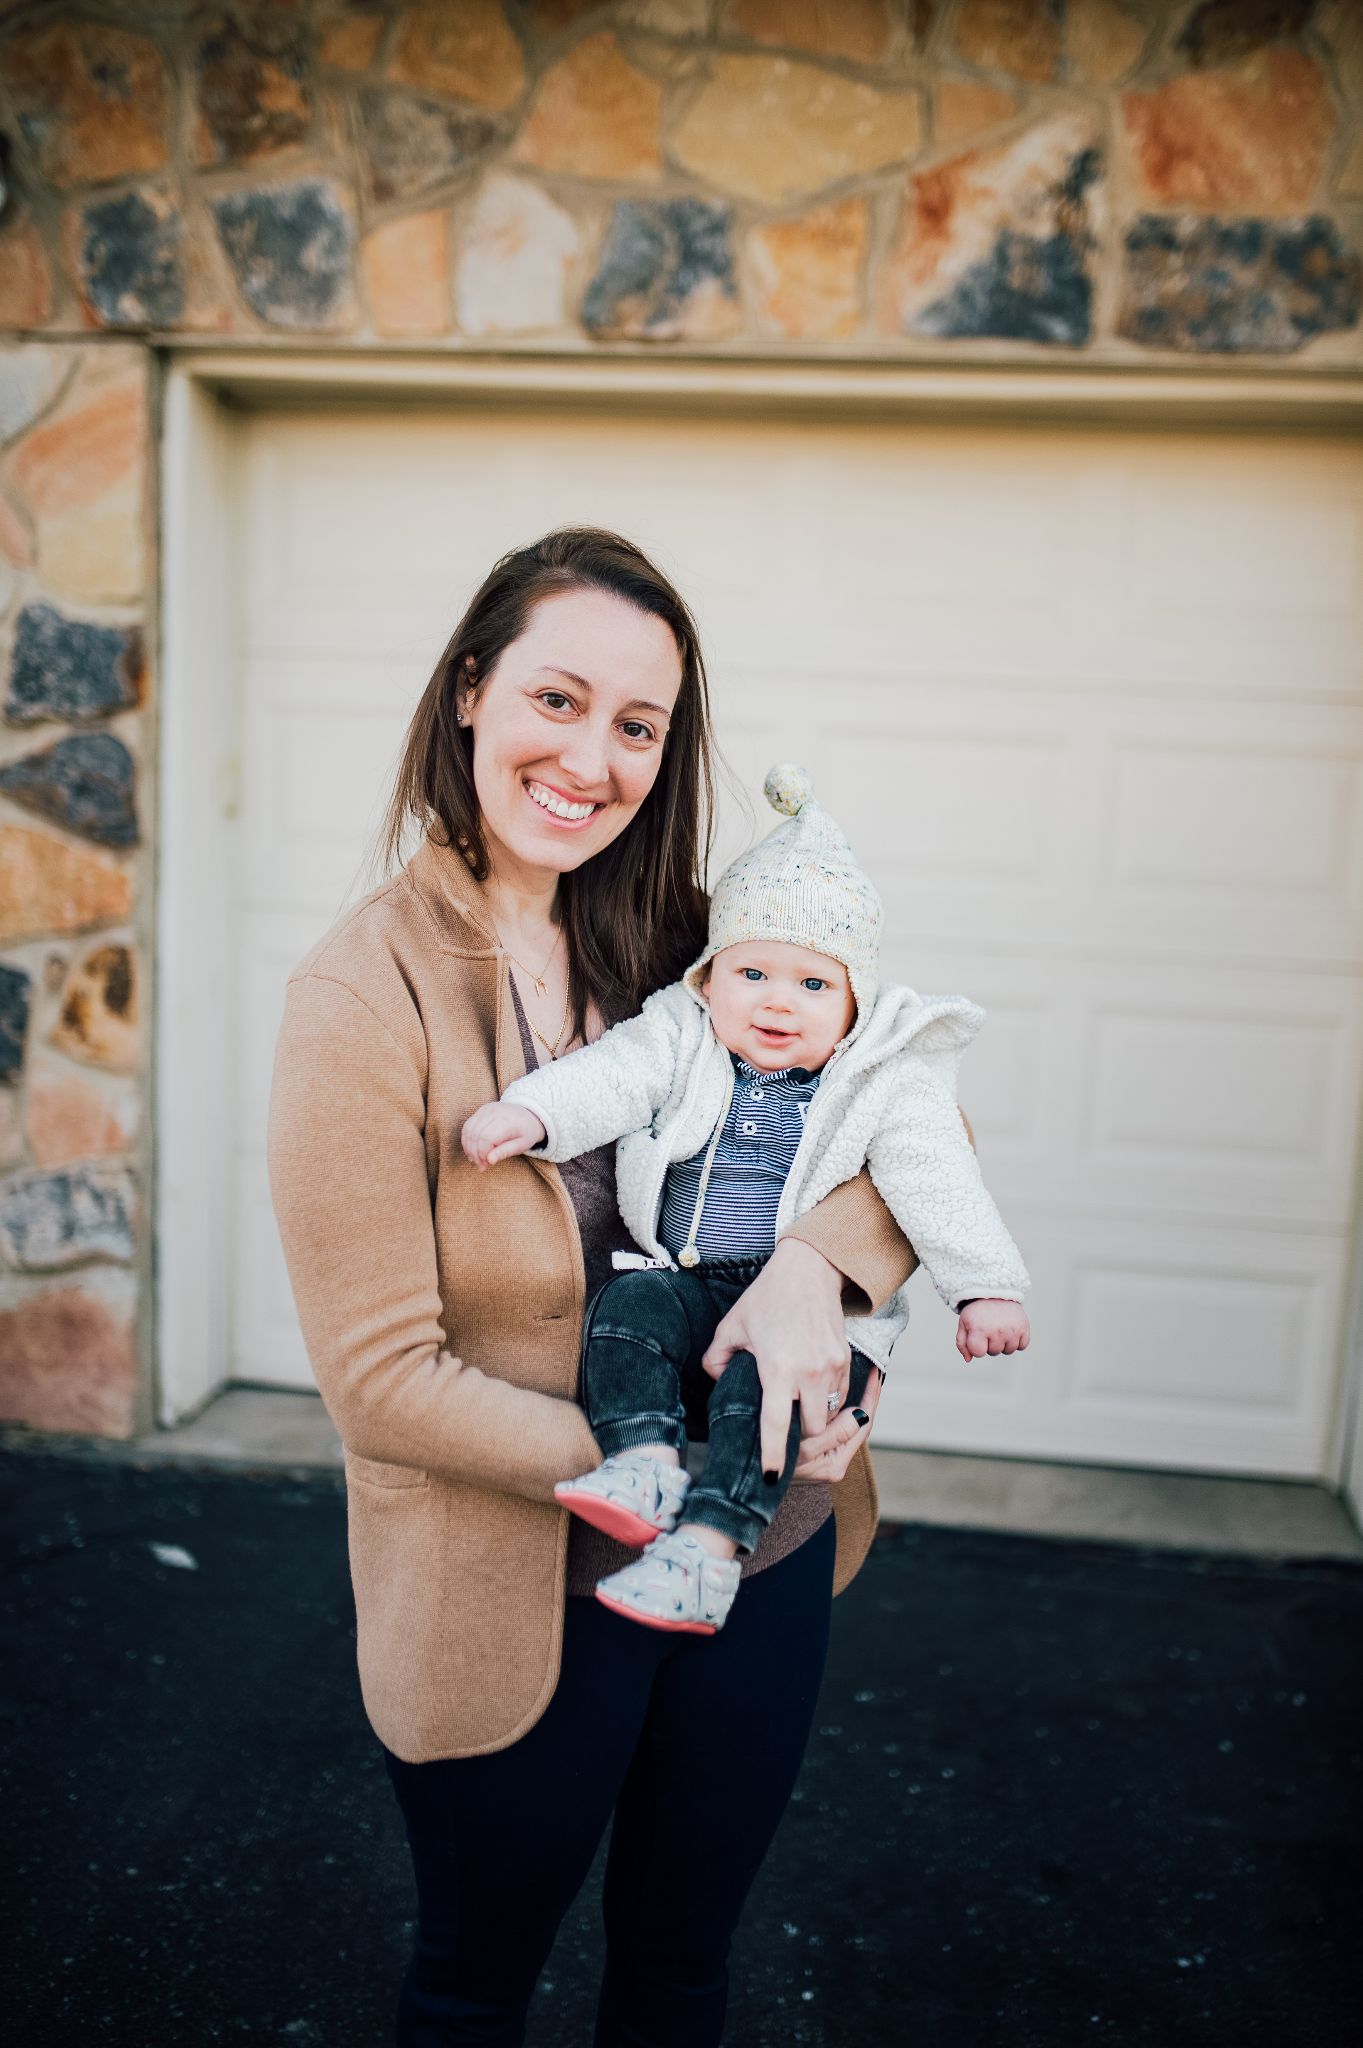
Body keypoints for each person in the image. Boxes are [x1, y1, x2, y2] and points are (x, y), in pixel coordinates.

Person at [267, 528, 930, 2048]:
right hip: (518, 1587)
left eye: (636, 726)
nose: (590, 758)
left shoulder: (696, 939)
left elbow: (910, 1123)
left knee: (681, 1972)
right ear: (466, 696)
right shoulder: (359, 994)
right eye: (555, 701)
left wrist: (814, 1288)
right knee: (471, 1985)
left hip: (760, 1556)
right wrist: (688, 1463)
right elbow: (381, 1381)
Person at [461, 764, 1031, 1637]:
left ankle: (710, 1552)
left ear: (854, 1002)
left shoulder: (882, 1079)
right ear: (709, 976)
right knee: (627, 1306)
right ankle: (643, 1459)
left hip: (791, 1306)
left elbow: (935, 1176)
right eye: (752, 973)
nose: (776, 1002)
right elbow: (612, 1078)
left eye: (812, 985)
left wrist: (986, 1285)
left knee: (761, 1401)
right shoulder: (681, 1036)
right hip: (686, 1276)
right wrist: (532, 1113)